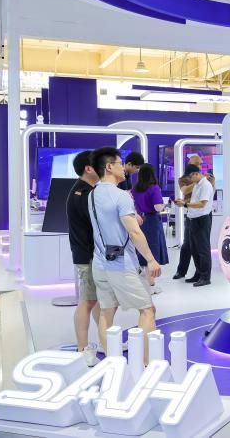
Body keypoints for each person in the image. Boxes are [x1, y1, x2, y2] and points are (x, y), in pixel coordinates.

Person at [88, 147, 161, 363]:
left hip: (100, 263)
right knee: (148, 310)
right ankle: (146, 364)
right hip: (121, 265)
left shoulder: (93, 194)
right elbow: (134, 232)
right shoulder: (121, 196)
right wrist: (151, 259)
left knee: (106, 312)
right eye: (120, 164)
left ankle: (112, 363)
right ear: (110, 167)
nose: (124, 168)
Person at [65, 150, 101, 367]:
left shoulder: (85, 190)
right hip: (87, 255)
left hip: (90, 253)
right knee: (87, 301)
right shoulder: (84, 193)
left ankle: (106, 339)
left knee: (96, 300)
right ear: (88, 168)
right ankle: (82, 349)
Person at [173, 155, 215, 281]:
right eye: (197, 164)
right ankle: (189, 272)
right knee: (190, 246)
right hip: (192, 215)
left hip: (202, 216)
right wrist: (198, 180)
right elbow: (185, 191)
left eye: (201, 164)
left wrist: (207, 181)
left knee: (202, 247)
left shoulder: (204, 183)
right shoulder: (187, 180)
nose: (200, 166)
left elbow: (204, 201)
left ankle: (204, 276)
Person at [132, 164, 169, 293]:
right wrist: (164, 205)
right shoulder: (154, 188)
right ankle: (151, 285)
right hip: (152, 221)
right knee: (152, 250)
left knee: (142, 249)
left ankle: (145, 283)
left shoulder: (135, 189)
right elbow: (158, 207)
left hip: (140, 220)